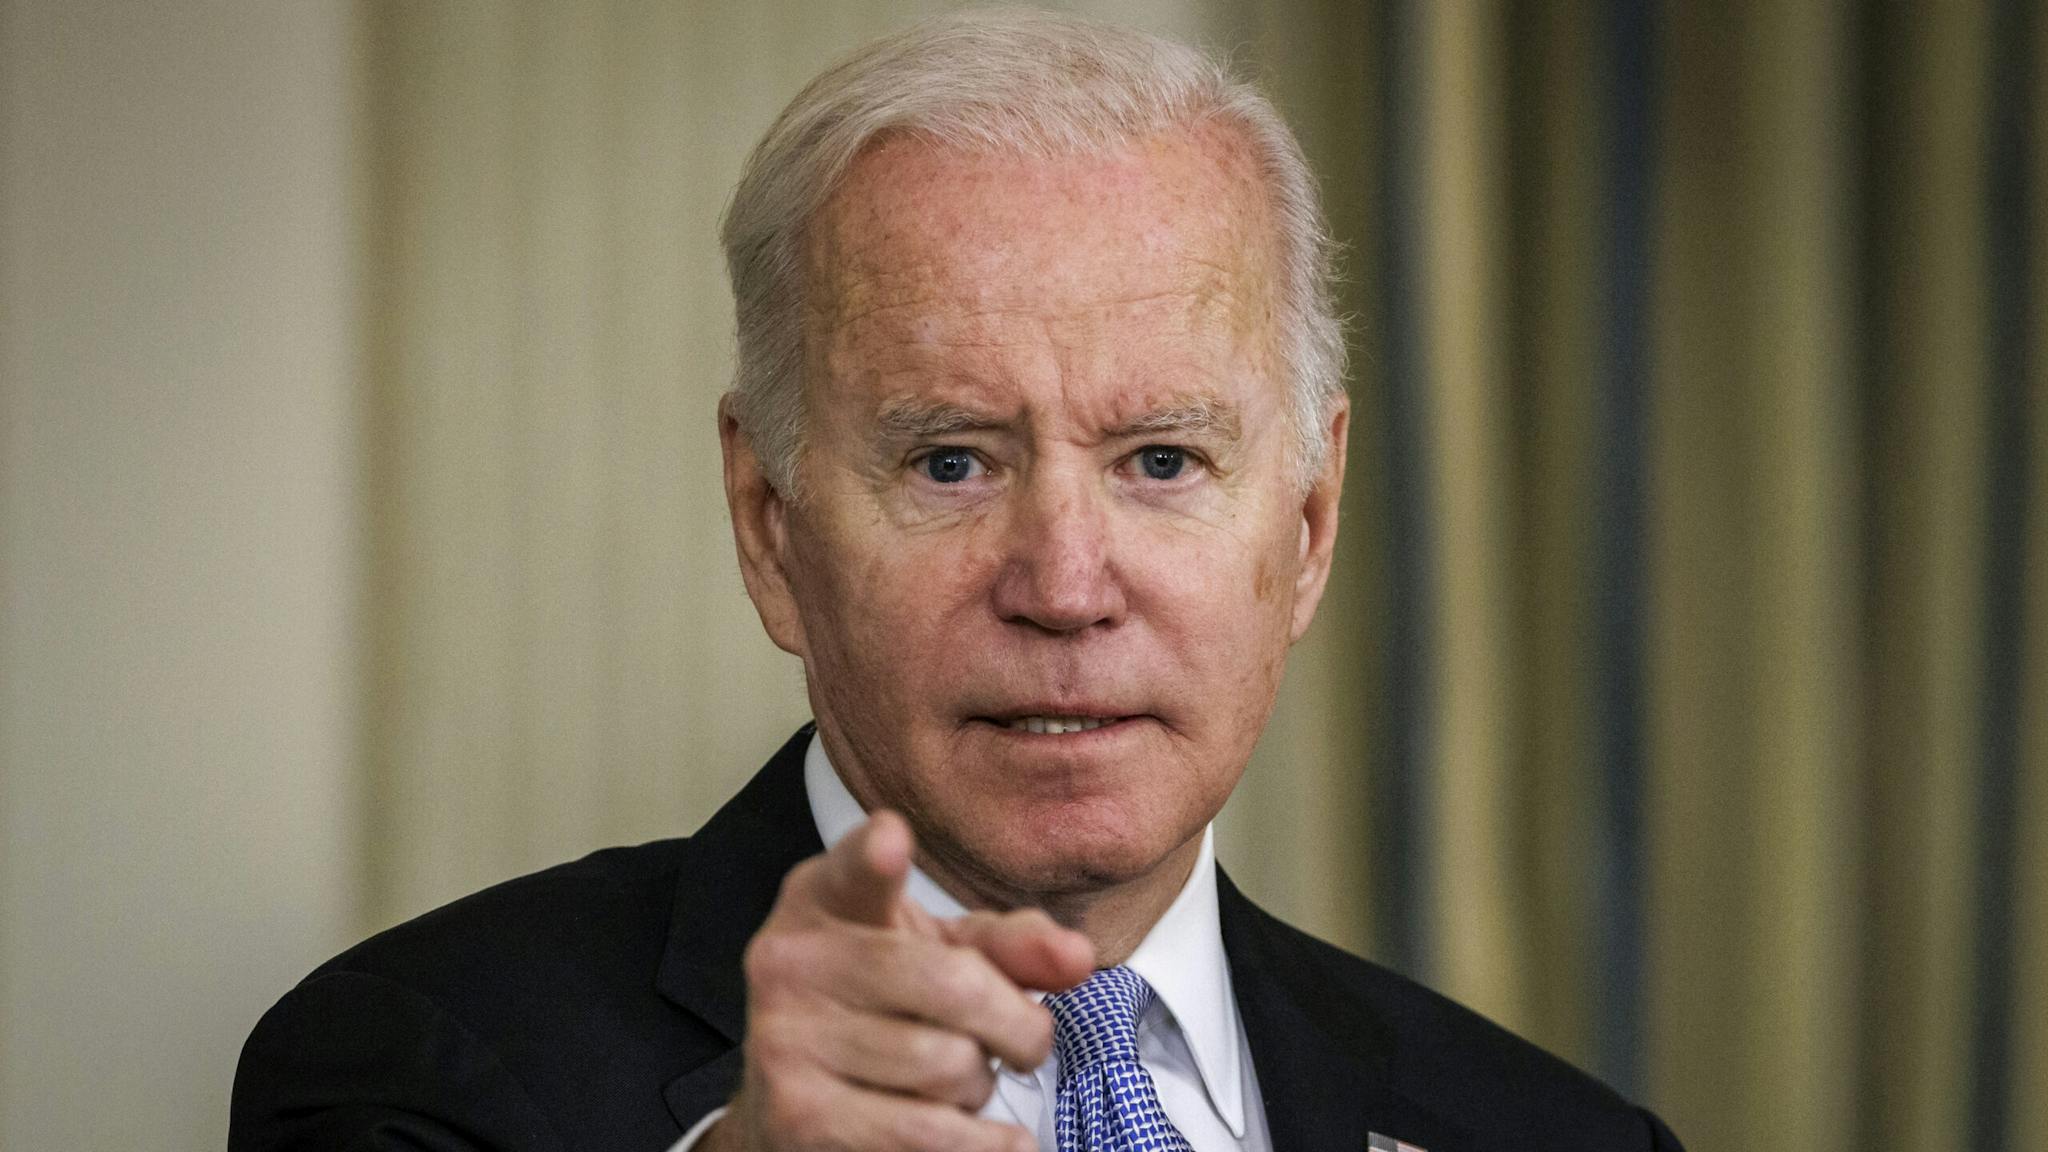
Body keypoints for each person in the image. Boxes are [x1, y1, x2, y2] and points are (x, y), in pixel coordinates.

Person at [231, 10, 1682, 1152]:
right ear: (768, 524)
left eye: (1163, 461)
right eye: (952, 464)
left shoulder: (1552, 1134)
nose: (1064, 585)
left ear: (1307, 526)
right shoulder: (408, 1067)